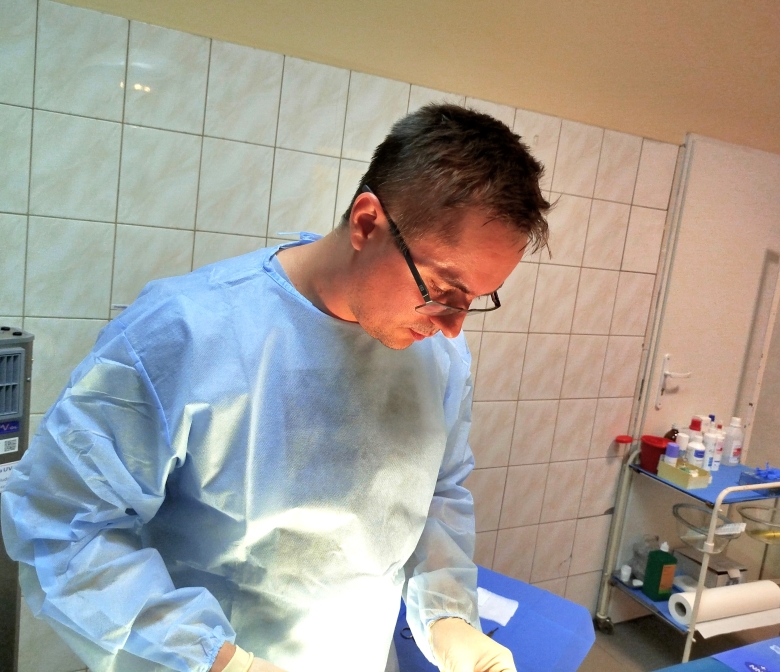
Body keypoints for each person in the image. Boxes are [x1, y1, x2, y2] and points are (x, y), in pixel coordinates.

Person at [1, 104, 550, 672]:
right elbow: (64, 527)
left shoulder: (439, 356)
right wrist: (225, 661)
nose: (454, 325)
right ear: (367, 224)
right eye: (443, 289)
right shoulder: (185, 332)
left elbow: (438, 494)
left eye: (476, 299)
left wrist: (448, 617)